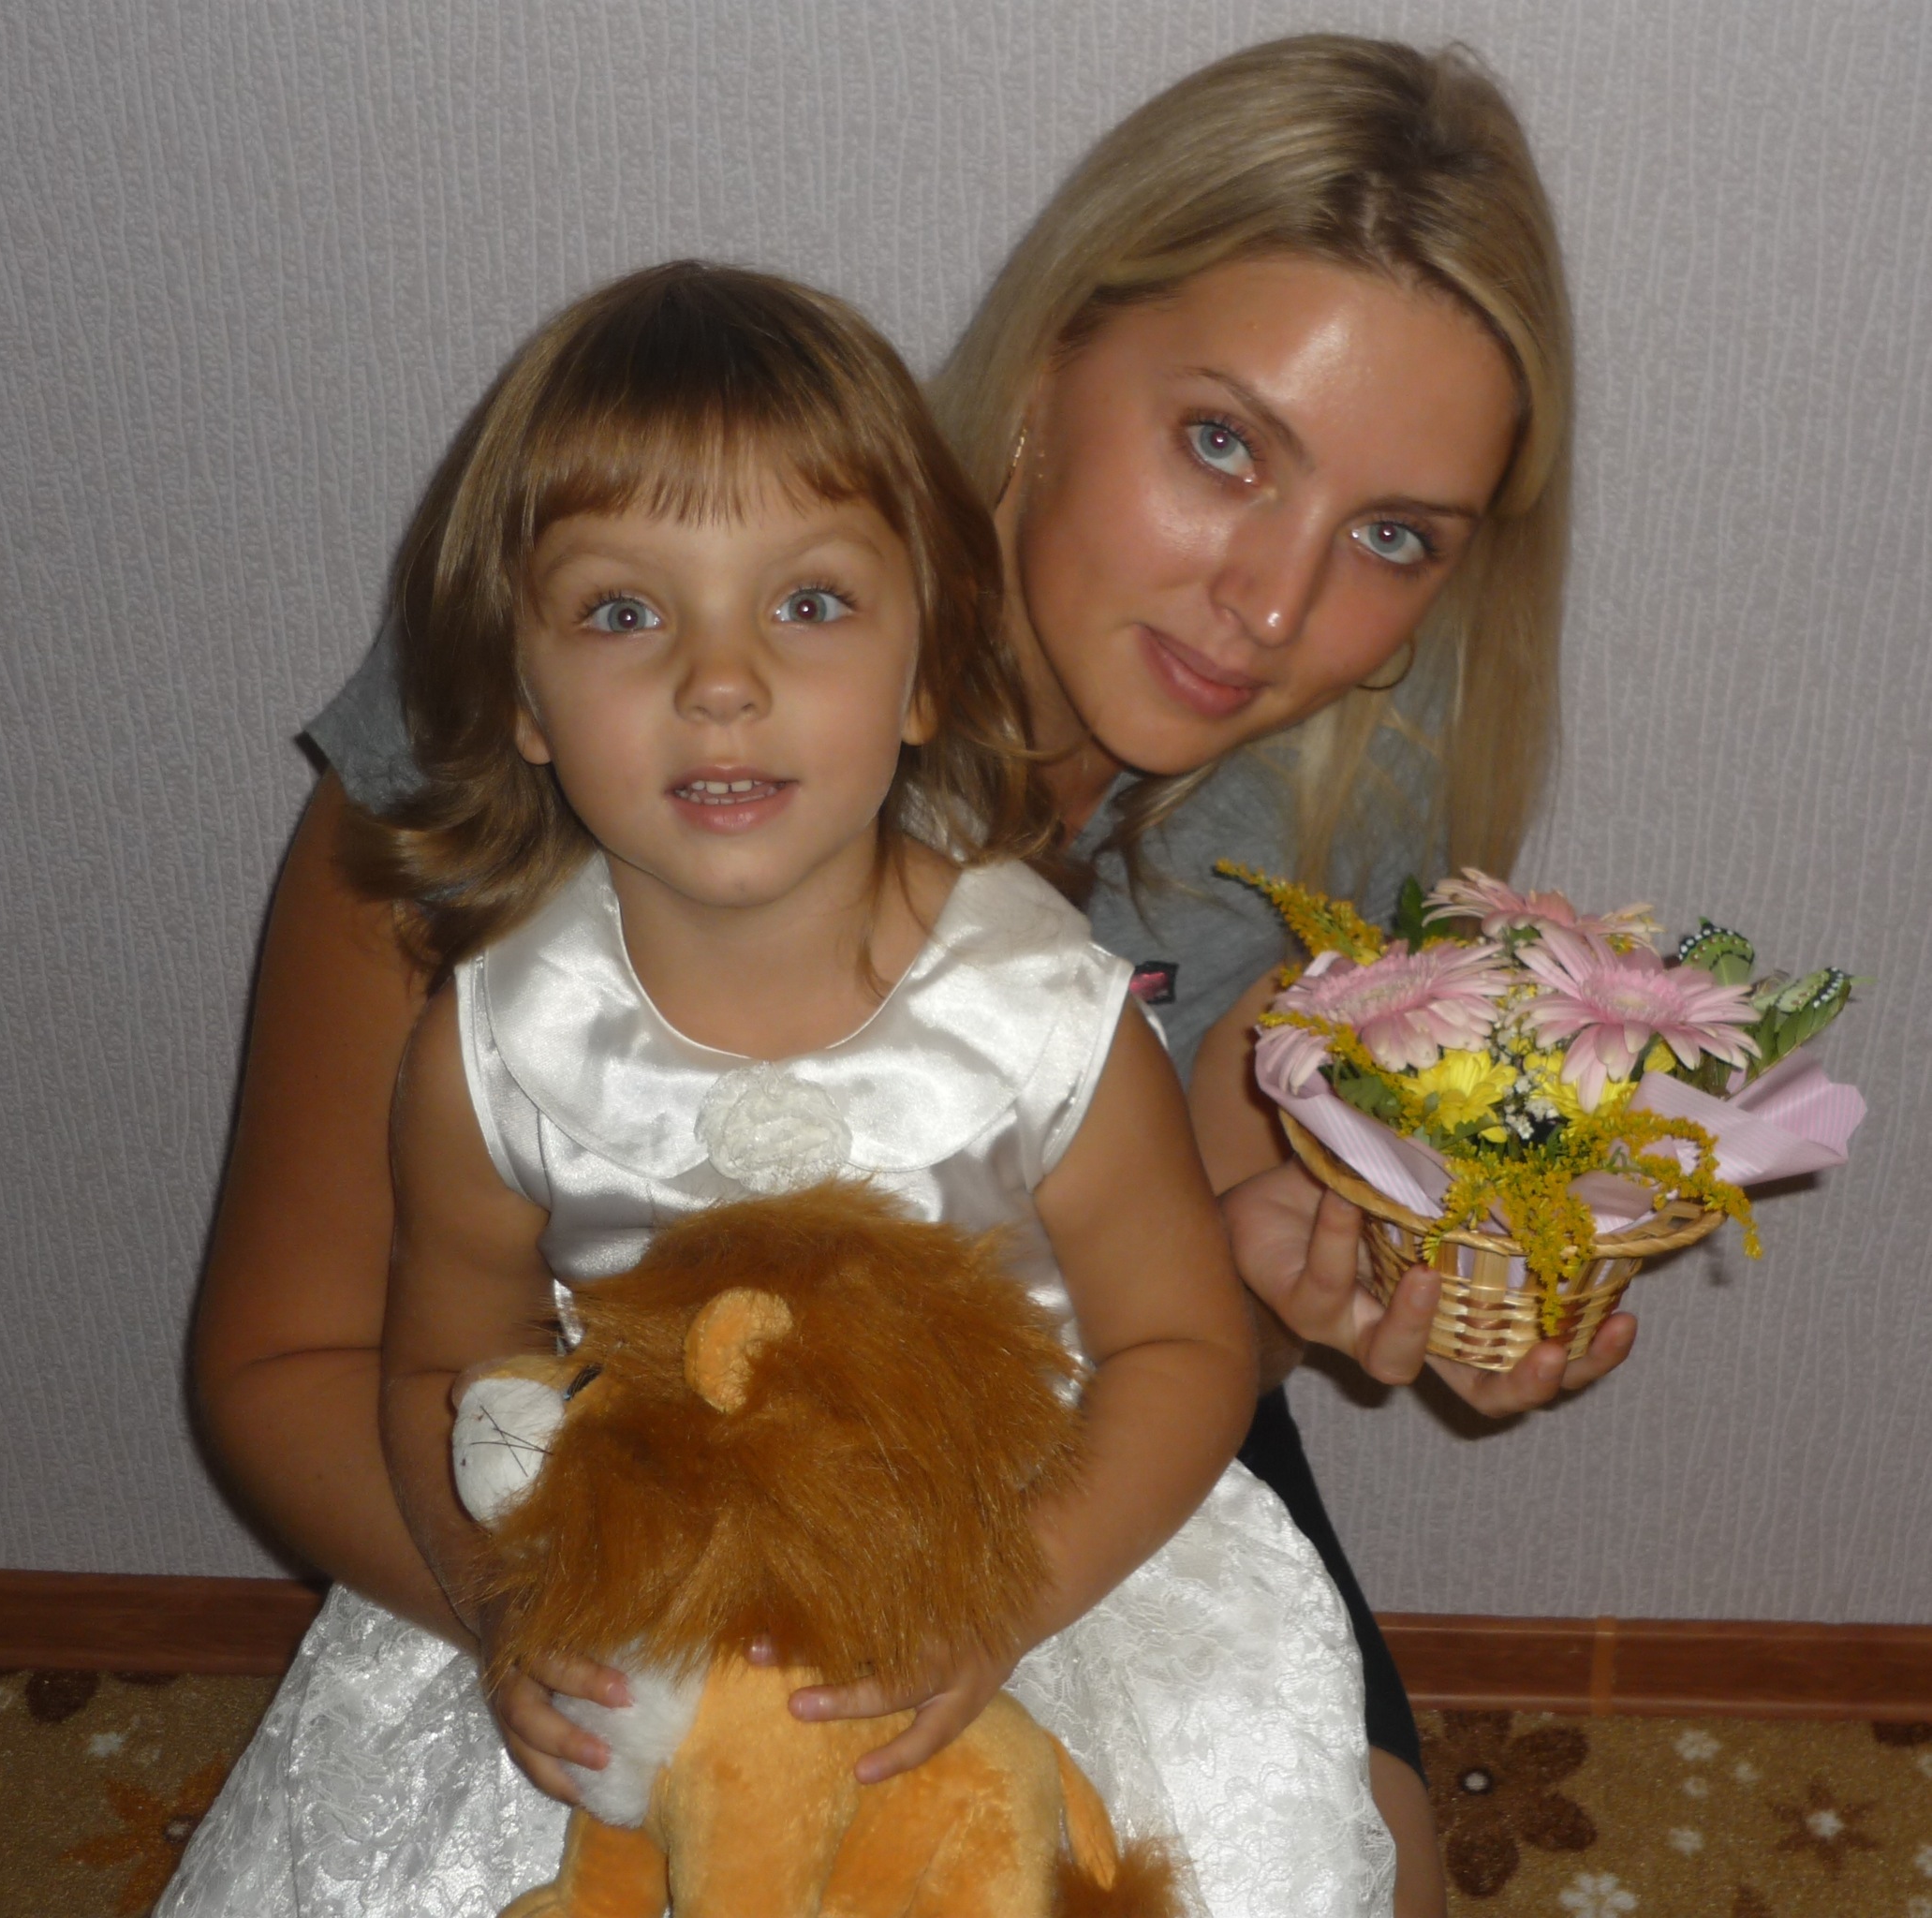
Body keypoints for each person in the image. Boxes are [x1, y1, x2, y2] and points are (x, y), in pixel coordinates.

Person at [192, 36, 1623, 1916]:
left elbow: (1167, 1332)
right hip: (599, 1478)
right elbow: (287, 1360)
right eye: (1222, 445)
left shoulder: (1348, 803)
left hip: (1051, 1452)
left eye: (1390, 537)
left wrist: (1288, 1274)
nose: (1272, 605)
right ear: (1048, 371)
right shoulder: (581, 674)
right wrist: (578, 1625)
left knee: (1358, 1869)